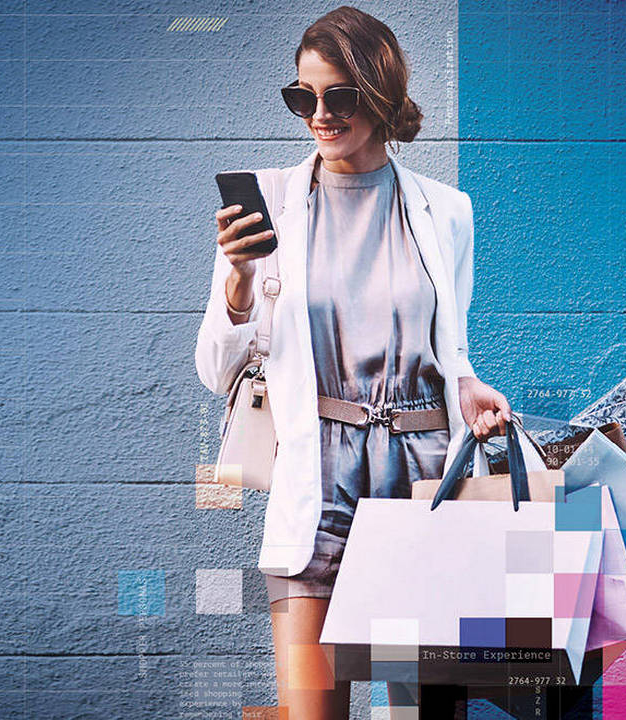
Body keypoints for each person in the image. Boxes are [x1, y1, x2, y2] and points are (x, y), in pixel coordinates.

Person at [196, 6, 512, 718]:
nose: (319, 115)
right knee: (311, 708)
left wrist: (469, 387)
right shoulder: (271, 200)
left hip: (425, 479)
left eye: (338, 97)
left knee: (423, 712)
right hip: (319, 483)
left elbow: (449, 350)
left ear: (379, 93)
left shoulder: (446, 211)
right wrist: (239, 280)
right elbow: (215, 368)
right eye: (302, 97)